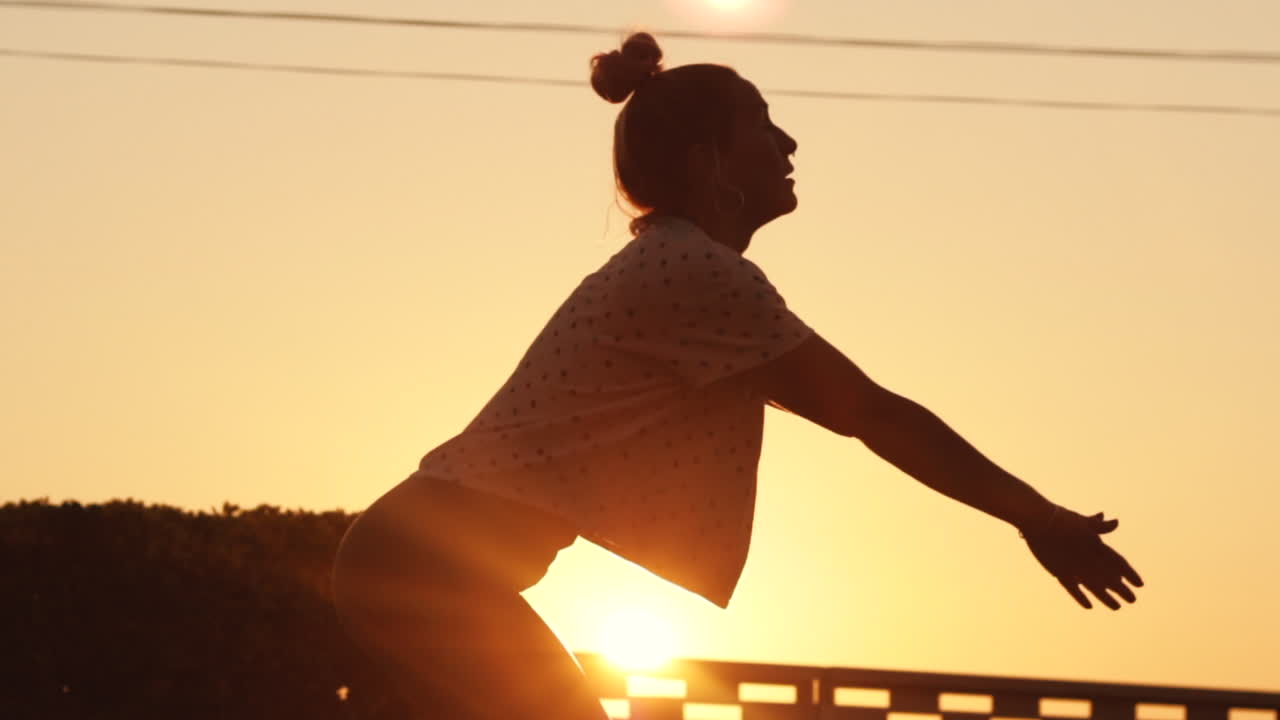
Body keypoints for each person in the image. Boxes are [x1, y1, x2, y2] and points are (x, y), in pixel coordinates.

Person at [330, 31, 1144, 720]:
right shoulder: (696, 271)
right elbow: (873, 414)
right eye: (762, 124)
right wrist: (1035, 514)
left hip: (416, 563)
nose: (788, 144)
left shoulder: (679, 266)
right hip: (422, 569)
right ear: (707, 161)